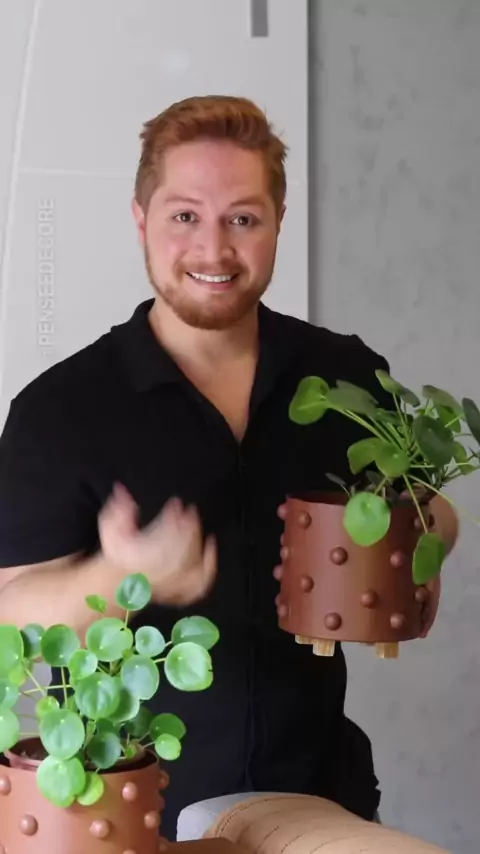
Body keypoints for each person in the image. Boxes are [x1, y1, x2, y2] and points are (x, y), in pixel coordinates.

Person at [0, 95, 457, 838]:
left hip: (321, 795)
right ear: (141, 219)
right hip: (125, 814)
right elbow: (11, 608)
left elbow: (430, 509)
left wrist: (416, 552)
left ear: (279, 222)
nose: (213, 250)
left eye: (243, 219)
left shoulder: (341, 375)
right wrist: (123, 576)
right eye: (185, 216)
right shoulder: (61, 409)